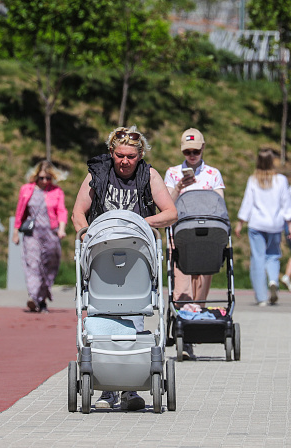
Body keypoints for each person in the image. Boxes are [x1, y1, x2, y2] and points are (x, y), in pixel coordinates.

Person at [71, 125, 177, 411]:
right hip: (102, 250)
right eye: (119, 155)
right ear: (111, 152)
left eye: (131, 156)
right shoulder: (97, 173)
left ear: (140, 155)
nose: (125, 161)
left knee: (134, 310)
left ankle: (130, 387)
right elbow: (78, 212)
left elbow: (170, 212)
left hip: (136, 252)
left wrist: (140, 222)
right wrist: (86, 235)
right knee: (101, 311)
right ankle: (107, 389)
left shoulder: (149, 175)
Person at [163, 128, 225, 359]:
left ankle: (197, 322)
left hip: (207, 234)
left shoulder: (212, 173)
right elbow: (166, 204)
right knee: (182, 287)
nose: (191, 155)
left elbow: (220, 203)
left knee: (202, 286)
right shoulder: (172, 172)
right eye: (187, 151)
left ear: (203, 148)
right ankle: (186, 336)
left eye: (195, 151)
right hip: (180, 235)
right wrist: (179, 186)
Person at [234, 148, 291, 307]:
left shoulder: (253, 180)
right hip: (275, 224)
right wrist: (290, 225)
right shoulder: (281, 180)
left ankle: (261, 297)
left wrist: (240, 222)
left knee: (258, 258)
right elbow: (286, 203)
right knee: (273, 255)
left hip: (257, 224)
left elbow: (248, 202)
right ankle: (273, 280)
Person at [12, 161, 68, 313]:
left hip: (51, 233)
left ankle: (41, 299)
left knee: (49, 266)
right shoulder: (26, 189)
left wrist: (61, 229)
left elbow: (62, 211)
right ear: (36, 177)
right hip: (32, 234)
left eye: (48, 178)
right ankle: (34, 296)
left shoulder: (56, 191)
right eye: (42, 178)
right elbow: (20, 212)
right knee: (33, 263)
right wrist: (16, 231)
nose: (44, 181)